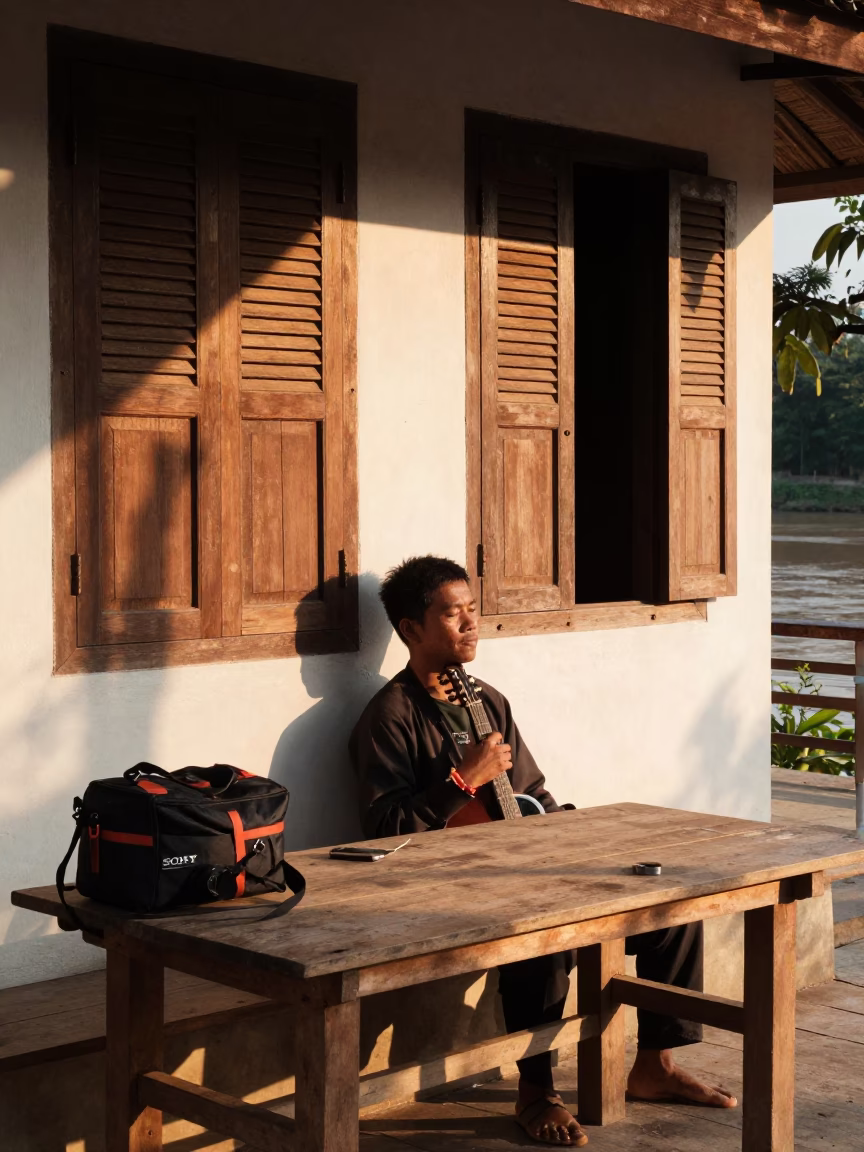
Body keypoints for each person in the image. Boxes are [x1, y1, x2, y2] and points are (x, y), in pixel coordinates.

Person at [349, 556, 737, 1147]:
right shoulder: (390, 717)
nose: (470, 625)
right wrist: (461, 781)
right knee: (542, 936)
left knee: (671, 912)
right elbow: (386, 829)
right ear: (411, 630)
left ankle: (653, 1066)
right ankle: (536, 1089)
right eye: (453, 615)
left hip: (525, 864)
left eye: (473, 611)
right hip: (449, 886)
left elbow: (529, 795)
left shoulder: (488, 701)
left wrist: (569, 828)